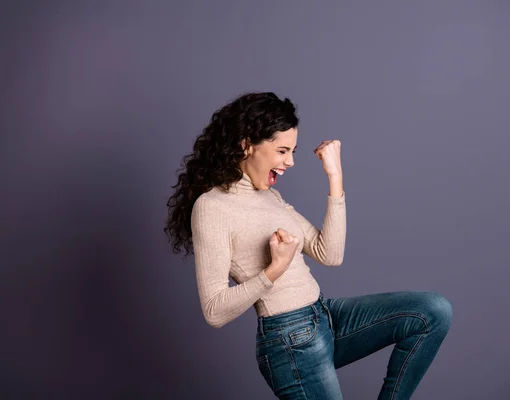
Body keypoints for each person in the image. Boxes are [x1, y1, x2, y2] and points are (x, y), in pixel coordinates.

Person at [164, 92, 452, 399]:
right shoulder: (212, 207)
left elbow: (330, 253)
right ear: (247, 145)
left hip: (325, 317)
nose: (290, 162)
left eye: (293, 151)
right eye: (282, 151)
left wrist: (335, 176)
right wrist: (273, 271)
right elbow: (214, 311)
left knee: (432, 311)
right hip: (289, 340)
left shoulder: (269, 196)